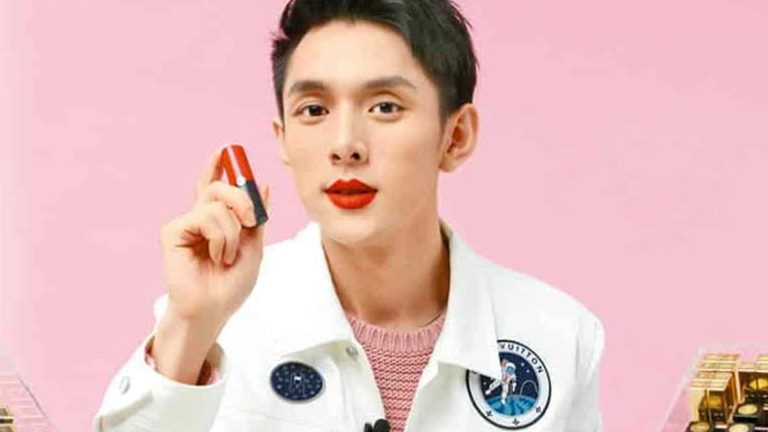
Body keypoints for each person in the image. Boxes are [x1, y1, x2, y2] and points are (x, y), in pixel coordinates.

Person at [93, 0, 605, 431]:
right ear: (283, 140)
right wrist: (190, 327)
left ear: (456, 137)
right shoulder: (213, 321)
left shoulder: (559, 336)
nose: (345, 145)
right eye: (314, 110)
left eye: (384, 106)